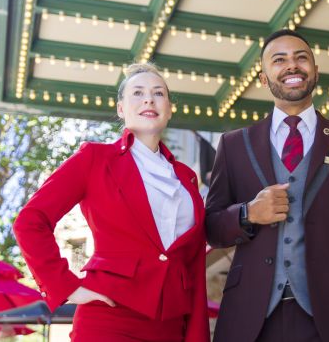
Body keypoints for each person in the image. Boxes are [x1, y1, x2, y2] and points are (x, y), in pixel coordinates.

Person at [205, 30, 329, 342]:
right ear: (264, 78)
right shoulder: (234, 145)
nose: (292, 66)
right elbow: (212, 227)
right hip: (251, 318)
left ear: (315, 71)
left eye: (301, 58)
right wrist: (248, 213)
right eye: (280, 60)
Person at [13, 64, 209, 342]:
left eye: (158, 93)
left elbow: (193, 264)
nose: (148, 99)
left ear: (169, 109)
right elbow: (30, 222)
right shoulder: (95, 159)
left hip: (171, 325)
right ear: (121, 109)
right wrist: (67, 286)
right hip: (109, 318)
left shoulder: (187, 178)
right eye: (138, 93)